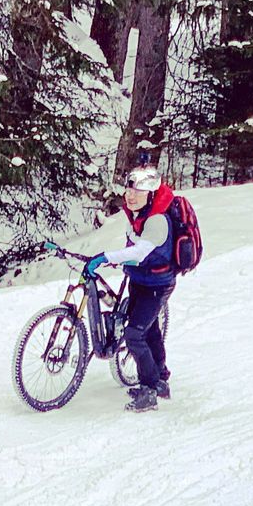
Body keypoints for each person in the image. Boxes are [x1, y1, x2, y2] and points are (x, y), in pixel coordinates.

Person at [85, 165, 176, 412]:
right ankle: (161, 378)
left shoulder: (157, 220)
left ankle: (149, 390)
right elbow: (133, 248)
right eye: (129, 190)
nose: (131, 196)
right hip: (140, 280)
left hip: (157, 285)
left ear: (151, 194)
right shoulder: (137, 216)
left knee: (134, 334)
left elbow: (140, 252)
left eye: (138, 191)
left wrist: (106, 257)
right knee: (150, 330)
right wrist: (116, 260)